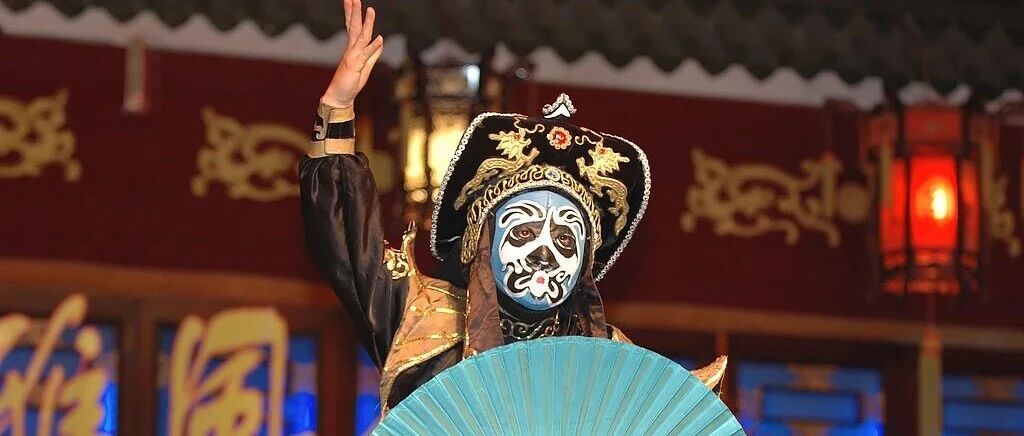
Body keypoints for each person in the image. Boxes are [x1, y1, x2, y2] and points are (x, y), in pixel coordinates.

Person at [300, 0, 724, 413]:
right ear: (484, 240)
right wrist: (337, 106)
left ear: (585, 262)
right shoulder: (424, 316)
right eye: (523, 231)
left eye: (565, 239)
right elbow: (346, 242)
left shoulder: (613, 366)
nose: (544, 253)